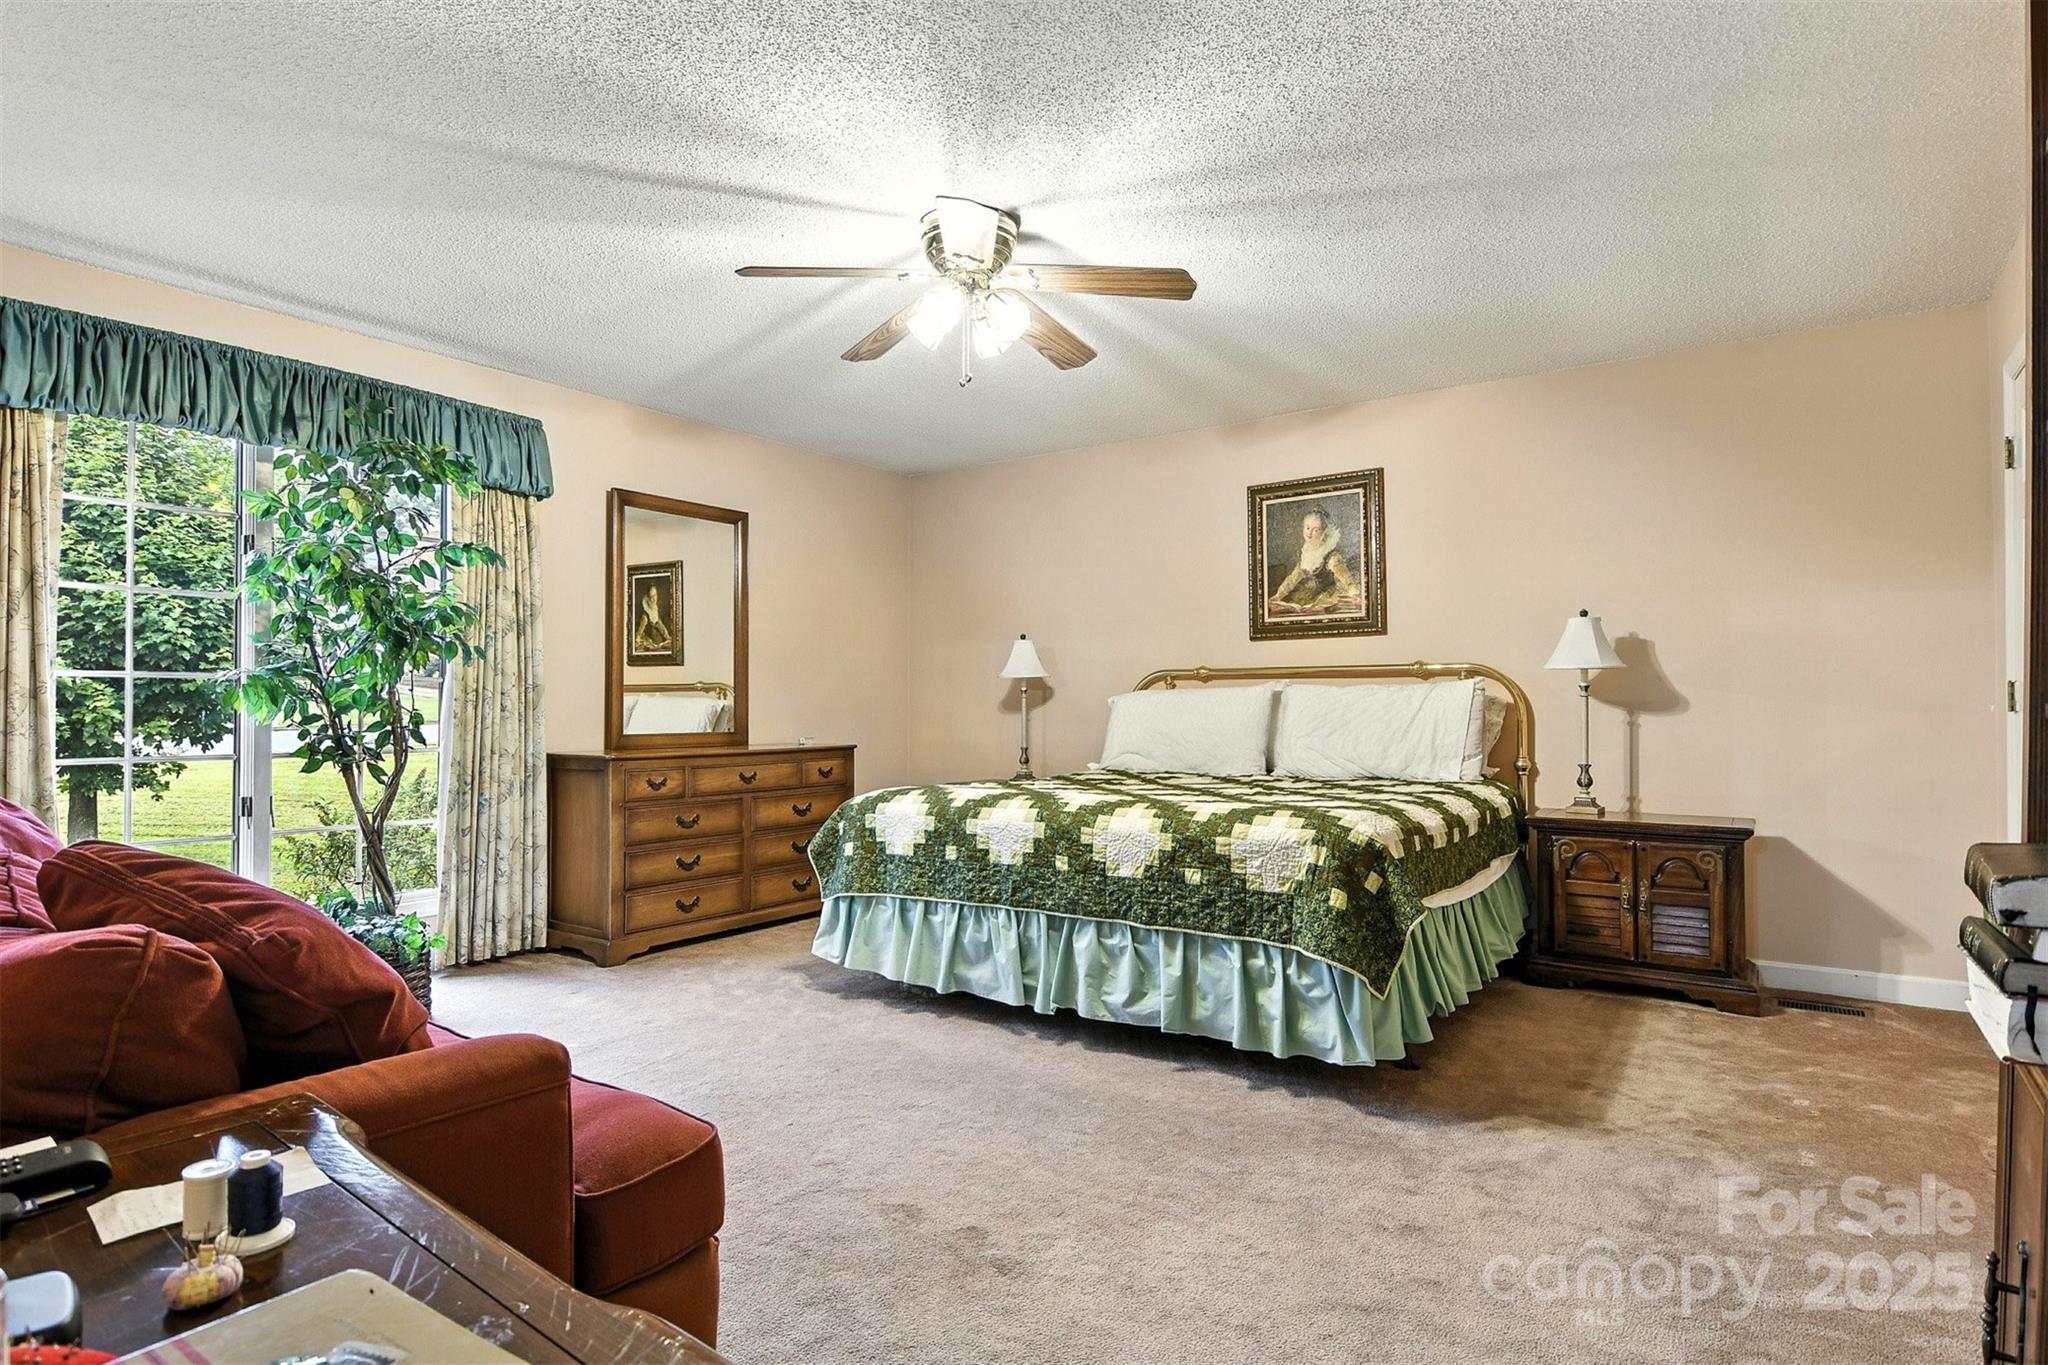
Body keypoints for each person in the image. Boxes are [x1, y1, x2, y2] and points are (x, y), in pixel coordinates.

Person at [1266, 505, 1362, 615]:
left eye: (1315, 530)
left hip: (1328, 595)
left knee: (1315, 610)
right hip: (1310, 594)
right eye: (1307, 528)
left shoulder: (1331, 556)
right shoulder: (1306, 552)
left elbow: (1347, 580)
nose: (1309, 533)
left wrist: (1355, 595)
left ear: (1324, 532)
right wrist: (1279, 595)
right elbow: (1293, 577)